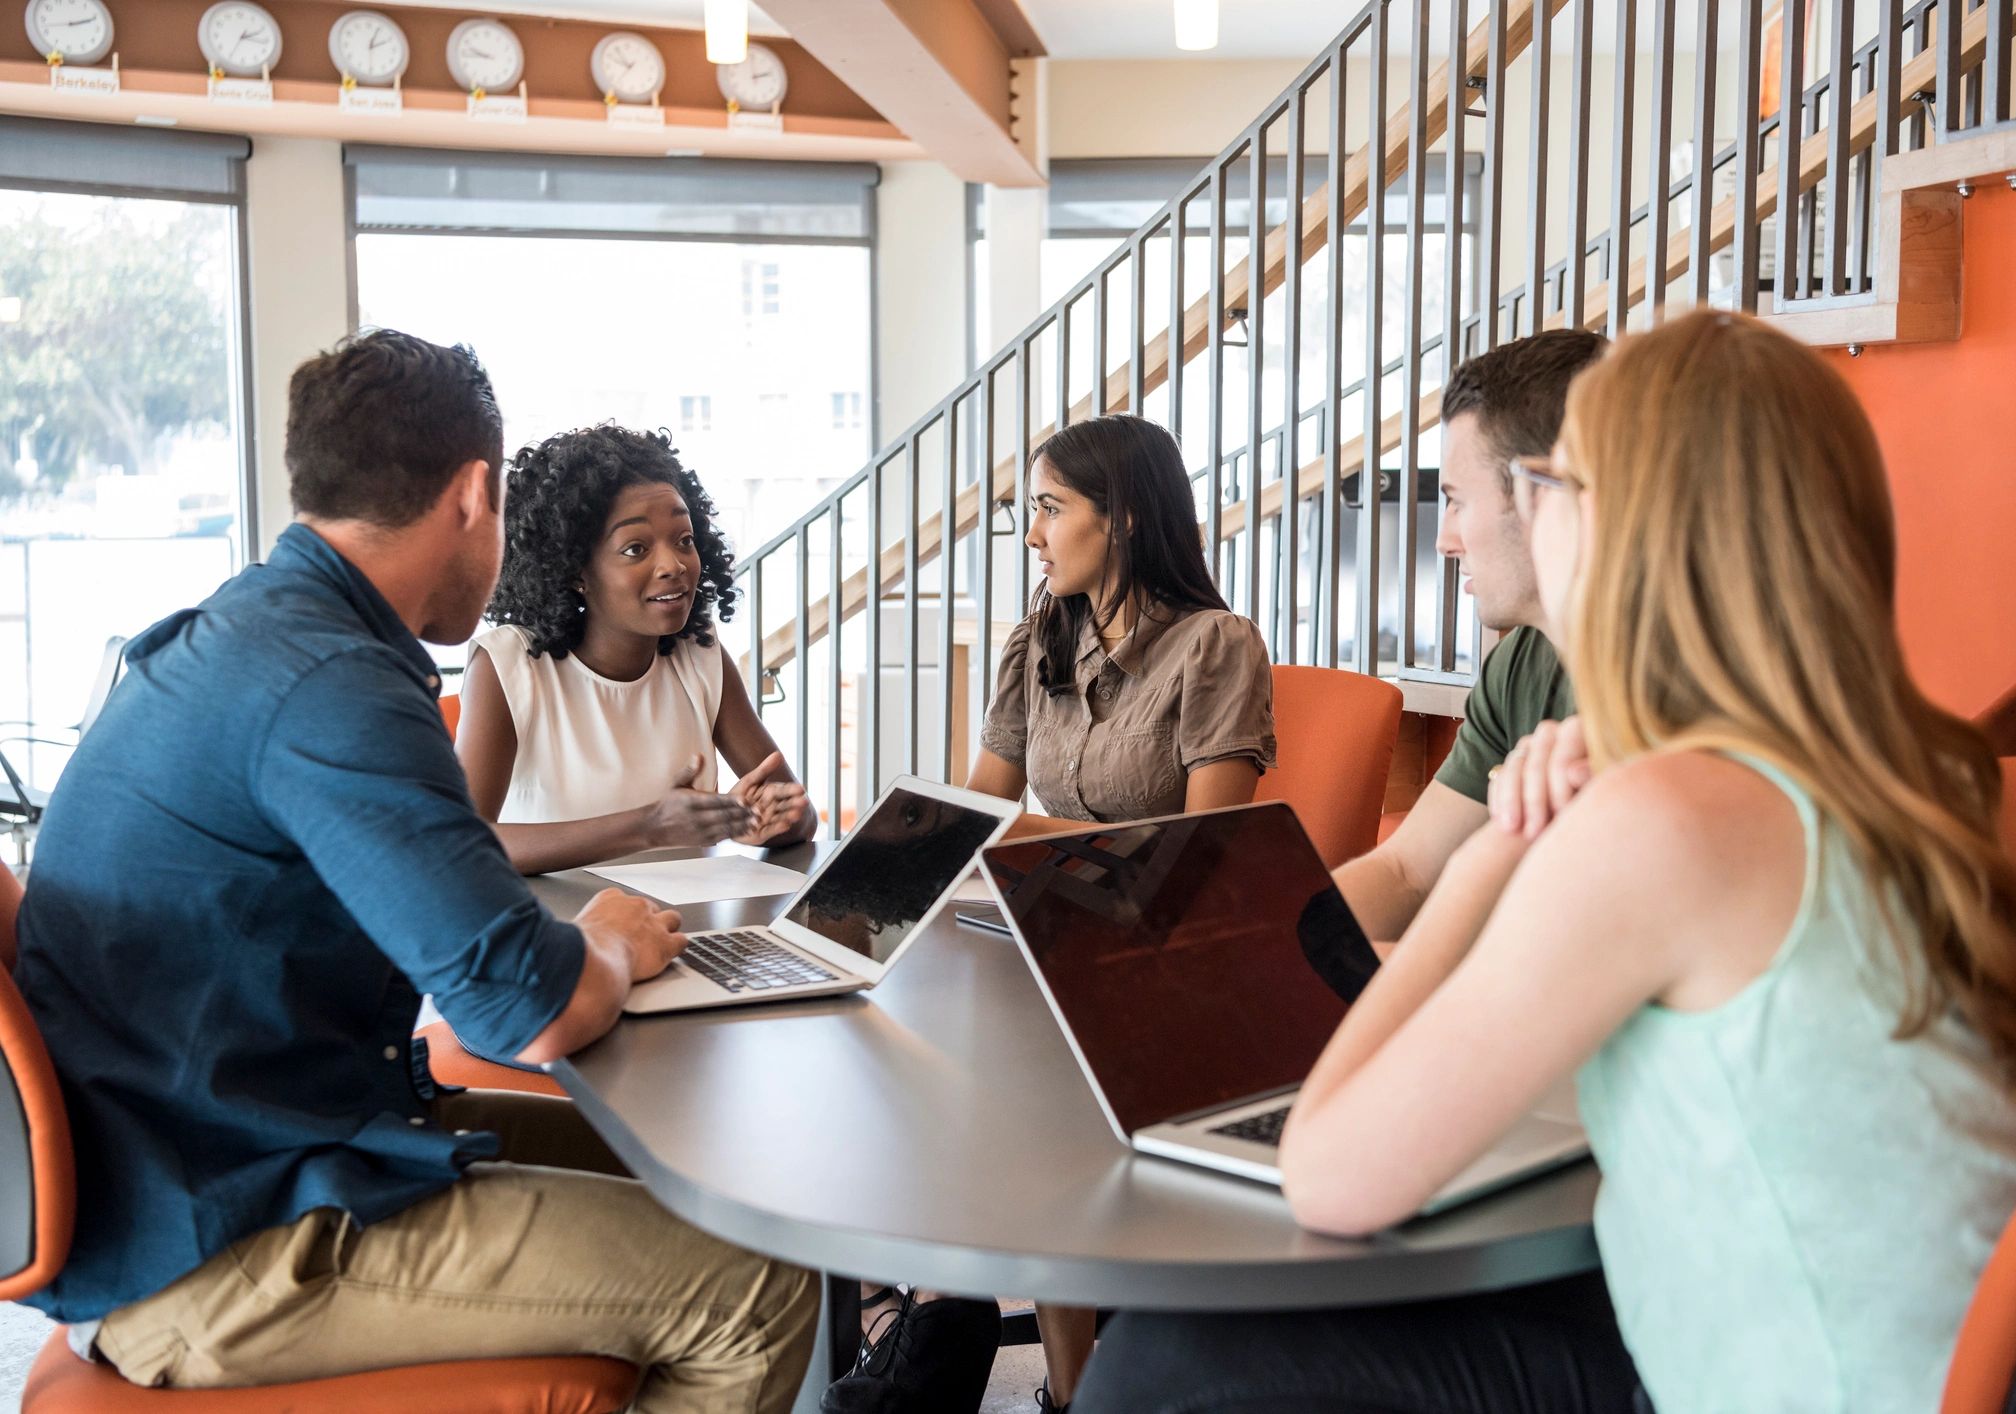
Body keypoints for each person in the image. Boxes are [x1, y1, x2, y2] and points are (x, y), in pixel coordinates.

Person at [1073, 310, 2016, 1413]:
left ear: (1609, 522)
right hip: (1940, 1369)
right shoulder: (1907, 777)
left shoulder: (1658, 821)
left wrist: (1489, 868)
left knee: (1167, 1358)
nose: (1469, 525)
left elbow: (1328, 1173)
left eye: (1546, 483)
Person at [10, 331, 818, 1411]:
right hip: (216, 1239)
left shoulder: (250, 635)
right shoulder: (331, 685)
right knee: (754, 1287)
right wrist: (610, 948)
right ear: (476, 493)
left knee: (701, 1177)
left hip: (236, 1146)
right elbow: (520, 1012)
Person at [827, 413, 1277, 1414]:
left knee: (1000, 1066)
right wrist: (908, 849)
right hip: (1044, 932)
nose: (1032, 533)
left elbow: (1207, 859)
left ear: (1118, 518)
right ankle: (955, 1316)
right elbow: (981, 805)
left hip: (1159, 952)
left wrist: (1022, 838)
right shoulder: (1040, 636)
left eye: (1049, 508)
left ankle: (1022, 1359)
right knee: (891, 1027)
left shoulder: (1215, 647)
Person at [1330, 328, 1607, 953]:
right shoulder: (1522, 658)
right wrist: (1276, 937)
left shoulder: (1687, 690)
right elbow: (1407, 869)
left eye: (1456, 501)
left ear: (1543, 492)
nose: (1443, 539)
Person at [455, 423, 815, 876]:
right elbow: (465, 842)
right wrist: (650, 827)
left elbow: (800, 815)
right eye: (635, 549)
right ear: (575, 570)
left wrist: (756, 818)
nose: (673, 565)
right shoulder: (508, 665)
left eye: (684, 541)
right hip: (567, 932)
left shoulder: (698, 655)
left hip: (687, 929)